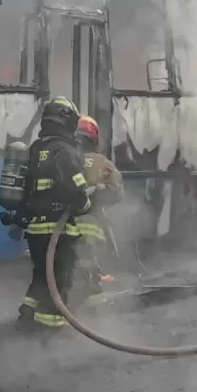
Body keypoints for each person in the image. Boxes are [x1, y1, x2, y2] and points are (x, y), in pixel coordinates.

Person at [16, 96, 93, 331]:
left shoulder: (36, 148)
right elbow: (76, 192)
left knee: (41, 277)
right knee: (59, 283)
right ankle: (48, 333)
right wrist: (87, 204)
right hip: (56, 231)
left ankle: (25, 319)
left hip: (34, 229)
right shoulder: (64, 151)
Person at [70, 115, 123, 310]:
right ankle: (92, 306)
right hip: (90, 223)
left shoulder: (65, 157)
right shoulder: (101, 163)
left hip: (62, 222)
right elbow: (117, 192)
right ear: (94, 139)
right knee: (89, 262)